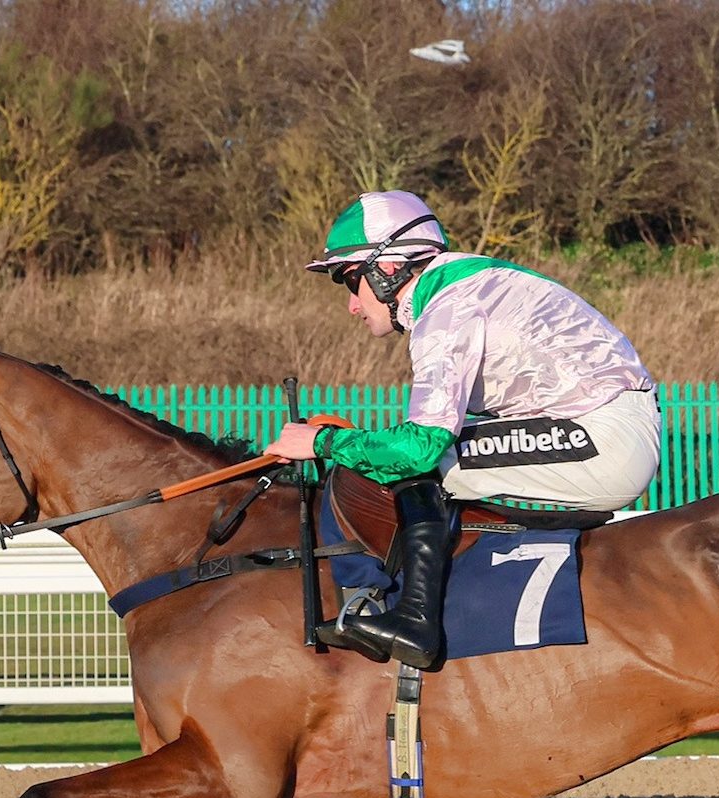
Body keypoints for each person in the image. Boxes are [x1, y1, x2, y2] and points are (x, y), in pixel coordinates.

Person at [264, 189, 661, 671]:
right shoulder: (468, 285)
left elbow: (419, 448)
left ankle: (415, 621)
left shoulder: (447, 310)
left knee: (415, 467)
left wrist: (322, 442)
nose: (351, 305)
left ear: (387, 269)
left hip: (600, 437)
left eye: (351, 282)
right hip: (601, 425)